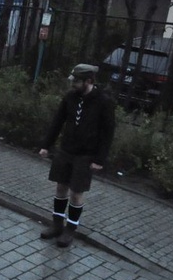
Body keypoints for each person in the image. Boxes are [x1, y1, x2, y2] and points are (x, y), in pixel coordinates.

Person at [39, 64, 116, 248]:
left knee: (76, 193)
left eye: (77, 81)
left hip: (85, 154)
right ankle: (57, 224)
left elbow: (108, 132)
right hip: (66, 150)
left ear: (89, 81)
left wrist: (99, 159)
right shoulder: (70, 97)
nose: (73, 84)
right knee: (60, 188)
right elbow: (58, 121)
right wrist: (46, 145)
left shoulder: (103, 101)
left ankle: (70, 229)